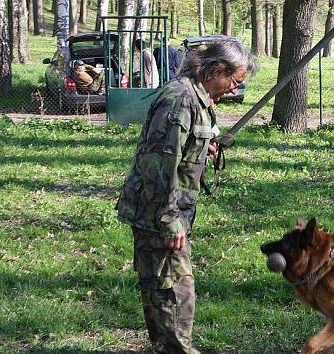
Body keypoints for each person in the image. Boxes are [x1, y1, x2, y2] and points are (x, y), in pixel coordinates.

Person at [116, 38, 258, 354]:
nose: (235, 90)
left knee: (167, 291)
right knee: (174, 295)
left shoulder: (197, 97)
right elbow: (157, 167)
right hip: (159, 213)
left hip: (167, 210)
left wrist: (202, 150)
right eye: (234, 81)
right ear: (216, 69)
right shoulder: (180, 100)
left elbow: (179, 152)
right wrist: (170, 222)